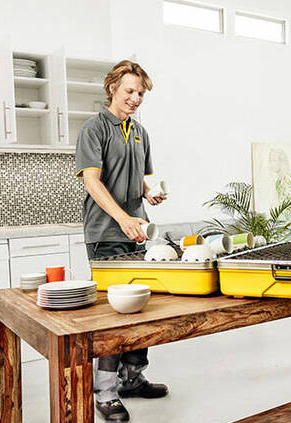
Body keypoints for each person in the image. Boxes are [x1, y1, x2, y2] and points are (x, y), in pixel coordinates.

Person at [76, 60, 168, 422]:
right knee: (113, 316)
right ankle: (106, 391)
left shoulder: (140, 131)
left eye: (141, 93)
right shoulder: (94, 128)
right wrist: (123, 218)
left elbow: (137, 176)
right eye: (130, 91)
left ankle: (132, 378)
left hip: (137, 231)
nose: (135, 98)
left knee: (140, 305)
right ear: (112, 88)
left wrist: (148, 193)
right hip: (105, 233)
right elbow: (92, 181)